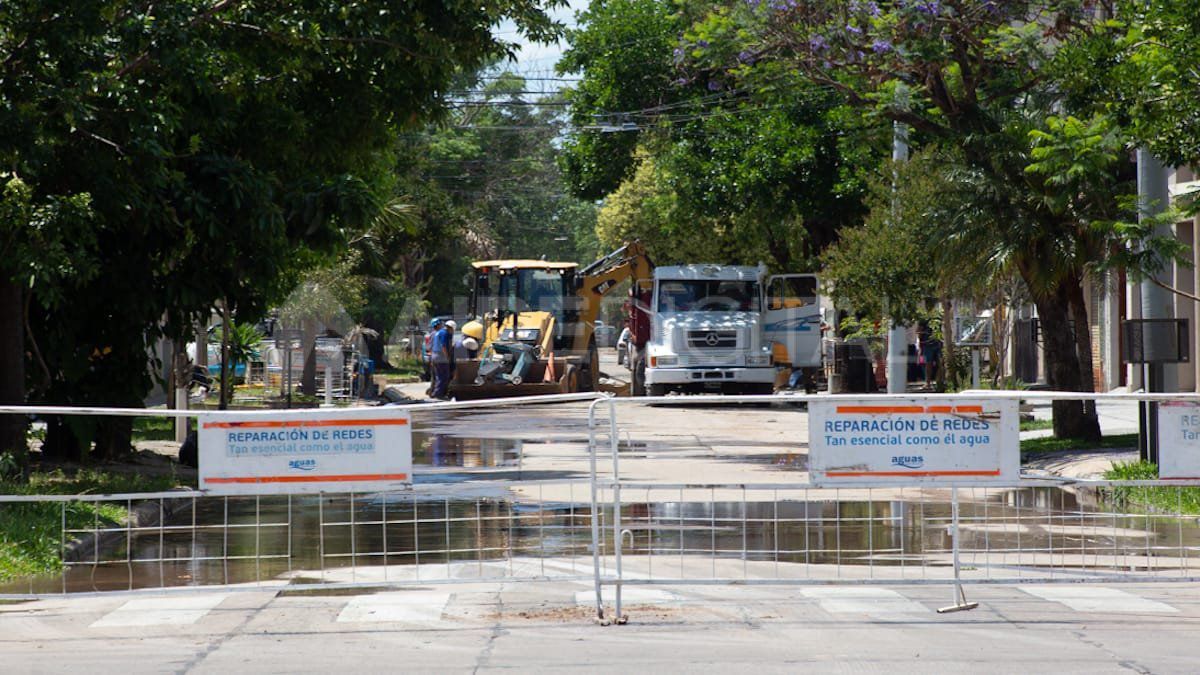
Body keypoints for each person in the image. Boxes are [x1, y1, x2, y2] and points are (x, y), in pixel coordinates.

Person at [430, 318, 452, 399]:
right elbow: (443, 346)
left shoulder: (434, 334)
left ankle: (435, 392)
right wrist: (447, 357)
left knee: (438, 376)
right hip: (440, 357)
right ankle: (438, 394)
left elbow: (430, 347)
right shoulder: (443, 333)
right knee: (443, 376)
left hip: (434, 356)